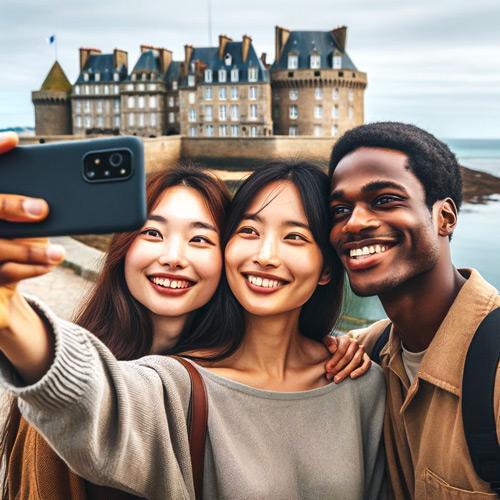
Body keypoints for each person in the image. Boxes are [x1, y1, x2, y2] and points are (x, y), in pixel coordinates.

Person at [0, 158, 385, 499]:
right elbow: (95, 399)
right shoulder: (175, 384)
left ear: (328, 269)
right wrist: (14, 316)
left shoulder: (362, 384)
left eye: (295, 237)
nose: (265, 256)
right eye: (249, 231)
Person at [327, 121, 500, 498]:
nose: (353, 223)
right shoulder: (371, 350)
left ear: (445, 217)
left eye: (385, 200)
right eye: (340, 209)